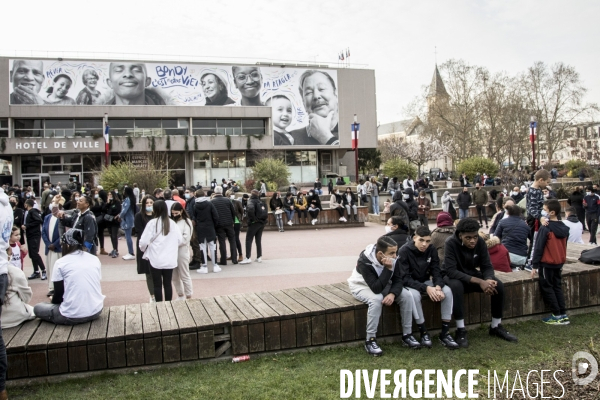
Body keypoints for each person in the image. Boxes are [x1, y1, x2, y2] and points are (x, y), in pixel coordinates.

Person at [442, 218, 518, 347]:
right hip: (453, 275)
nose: (472, 241)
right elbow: (451, 271)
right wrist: (480, 282)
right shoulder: (450, 243)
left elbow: (487, 265)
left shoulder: (480, 242)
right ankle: (461, 330)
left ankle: (495, 326)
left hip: (471, 273)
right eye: (468, 238)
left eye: (475, 237)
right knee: (456, 287)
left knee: (498, 285)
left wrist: (488, 280)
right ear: (460, 235)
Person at [347, 236, 417, 355]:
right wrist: (389, 269)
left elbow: (398, 279)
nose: (395, 256)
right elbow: (376, 288)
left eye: (396, 252)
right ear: (380, 254)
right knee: (377, 299)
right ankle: (370, 340)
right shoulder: (365, 261)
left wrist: (392, 294)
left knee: (407, 295)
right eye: (392, 253)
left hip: (383, 283)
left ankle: (407, 335)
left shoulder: (393, 257)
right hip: (361, 286)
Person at [399, 226, 459, 349]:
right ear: (414, 238)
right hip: (409, 284)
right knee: (414, 296)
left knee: (447, 291)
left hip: (426, 281)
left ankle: (445, 333)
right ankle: (423, 332)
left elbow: (436, 270)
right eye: (421, 240)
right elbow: (404, 278)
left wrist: (438, 286)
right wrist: (426, 288)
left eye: (427, 241)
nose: (424, 244)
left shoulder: (431, 249)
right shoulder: (404, 250)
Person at [33, 229, 104, 325]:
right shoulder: (94, 259)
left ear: (67, 245)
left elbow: (58, 295)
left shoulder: (60, 263)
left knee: (38, 307)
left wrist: (53, 299)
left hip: (71, 316)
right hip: (96, 310)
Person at [532, 199, 570, 325]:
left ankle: (556, 315)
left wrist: (534, 265)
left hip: (547, 262)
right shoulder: (564, 227)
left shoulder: (546, 228)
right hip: (559, 262)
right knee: (557, 286)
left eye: (545, 209)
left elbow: (539, 247)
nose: (543, 212)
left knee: (547, 287)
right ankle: (563, 313)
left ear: (552, 212)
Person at [139, 200, 183, 302]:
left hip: (156, 257)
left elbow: (143, 241)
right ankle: (169, 304)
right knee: (167, 283)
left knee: (157, 284)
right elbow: (180, 240)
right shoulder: (172, 223)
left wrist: (143, 249)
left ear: (155, 209)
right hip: (169, 258)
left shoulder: (152, 223)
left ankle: (159, 307)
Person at [290, 70, 339, 146]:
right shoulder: (290, 139)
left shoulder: (353, 132)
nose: (316, 96)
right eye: (309, 92)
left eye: (321, 89)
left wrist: (326, 137)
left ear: (335, 94)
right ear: (303, 102)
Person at [525, 169, 551, 270]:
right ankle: (530, 262)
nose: (547, 185)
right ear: (541, 180)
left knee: (537, 240)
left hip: (537, 217)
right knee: (535, 241)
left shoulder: (537, 190)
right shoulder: (533, 191)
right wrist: (540, 217)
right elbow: (532, 208)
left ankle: (533, 261)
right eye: (546, 182)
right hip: (535, 219)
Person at [135, 195, 157, 303]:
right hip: (144, 246)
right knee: (148, 272)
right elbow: (139, 231)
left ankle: (158, 292)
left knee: (157, 271)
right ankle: (152, 295)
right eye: (147, 203)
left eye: (151, 203)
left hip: (157, 247)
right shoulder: (139, 216)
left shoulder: (157, 216)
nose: (149, 205)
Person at [1, 259, 35, 328]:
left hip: (2, 320)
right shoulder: (14, 271)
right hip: (15, 317)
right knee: (37, 309)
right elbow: (26, 298)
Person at [495, 204, 530, 271]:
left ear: (508, 212)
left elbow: (496, 237)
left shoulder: (503, 222)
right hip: (521, 257)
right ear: (520, 213)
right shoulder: (525, 225)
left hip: (506, 255)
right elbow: (532, 239)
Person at [170, 203, 193, 300]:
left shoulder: (186, 221)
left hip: (182, 251)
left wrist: (173, 242)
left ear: (181, 211)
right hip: (172, 251)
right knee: (174, 275)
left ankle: (189, 295)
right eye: (173, 213)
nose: (174, 215)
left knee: (184, 273)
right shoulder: (172, 221)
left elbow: (186, 238)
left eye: (176, 213)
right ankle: (180, 294)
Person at [193, 190, 219, 274]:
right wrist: (214, 225)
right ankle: (215, 265)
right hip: (210, 226)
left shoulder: (195, 205)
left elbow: (194, 217)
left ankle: (204, 266)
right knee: (212, 246)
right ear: (204, 195)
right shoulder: (209, 204)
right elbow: (215, 216)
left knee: (202, 247)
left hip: (200, 227)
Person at [211, 187, 238, 265]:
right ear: (222, 192)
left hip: (219, 224)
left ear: (214, 192)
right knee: (232, 241)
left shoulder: (212, 201)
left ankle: (223, 260)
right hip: (229, 223)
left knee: (222, 242)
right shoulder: (227, 200)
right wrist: (233, 221)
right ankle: (234, 259)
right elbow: (233, 212)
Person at [240, 190, 267, 264]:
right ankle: (259, 256)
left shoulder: (251, 201)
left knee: (249, 239)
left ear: (251, 194)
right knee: (258, 240)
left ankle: (248, 257)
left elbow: (250, 210)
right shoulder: (260, 201)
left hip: (254, 223)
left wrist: (253, 219)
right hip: (261, 222)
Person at [23, 199, 47, 280]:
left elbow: (39, 220)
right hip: (30, 235)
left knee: (35, 253)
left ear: (27, 204)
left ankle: (44, 270)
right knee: (32, 254)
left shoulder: (33, 212)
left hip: (34, 235)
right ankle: (36, 271)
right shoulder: (29, 212)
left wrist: (27, 225)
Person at [42, 207, 63, 297]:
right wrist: (48, 244)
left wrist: (55, 244)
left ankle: (57, 288)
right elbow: (43, 231)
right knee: (49, 267)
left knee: (56, 268)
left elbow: (63, 233)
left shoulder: (62, 217)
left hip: (57, 248)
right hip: (49, 247)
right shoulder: (47, 217)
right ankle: (51, 287)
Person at [118, 187, 137, 260]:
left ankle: (131, 252)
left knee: (128, 237)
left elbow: (124, 210)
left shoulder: (128, 199)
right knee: (127, 236)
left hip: (127, 220)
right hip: (128, 219)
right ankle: (130, 252)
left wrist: (120, 216)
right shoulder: (130, 199)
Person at [102, 191, 121, 258]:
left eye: (110, 194)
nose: (109, 196)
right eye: (108, 194)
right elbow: (103, 209)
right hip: (109, 221)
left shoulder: (117, 203)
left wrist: (111, 213)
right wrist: (107, 203)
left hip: (114, 221)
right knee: (111, 235)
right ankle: (114, 248)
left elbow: (118, 210)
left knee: (114, 235)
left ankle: (115, 250)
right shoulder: (109, 203)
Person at [227, 191, 244, 262]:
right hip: (229, 222)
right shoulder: (227, 202)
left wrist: (240, 219)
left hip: (236, 222)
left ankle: (240, 254)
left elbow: (242, 211)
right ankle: (233, 254)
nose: (232, 195)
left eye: (233, 194)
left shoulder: (237, 202)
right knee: (231, 239)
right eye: (231, 194)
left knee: (236, 238)